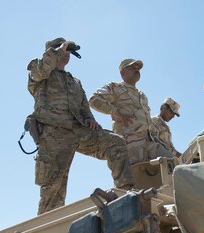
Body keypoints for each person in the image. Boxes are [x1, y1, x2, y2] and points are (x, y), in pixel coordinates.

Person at [27, 37, 135, 215]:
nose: (66, 54)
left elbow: (84, 107)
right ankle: (48, 229)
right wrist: (57, 51)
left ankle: (125, 193)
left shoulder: (74, 81)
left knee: (116, 142)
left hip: (79, 132)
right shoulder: (39, 72)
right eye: (64, 50)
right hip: (54, 135)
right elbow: (41, 70)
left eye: (68, 51)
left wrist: (89, 118)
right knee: (53, 188)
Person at [89, 59, 173, 164]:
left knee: (172, 164)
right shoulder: (115, 88)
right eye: (132, 68)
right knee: (136, 176)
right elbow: (94, 100)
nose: (136, 70)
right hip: (130, 143)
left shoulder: (142, 95)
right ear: (123, 72)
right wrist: (114, 112)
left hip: (150, 142)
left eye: (138, 68)